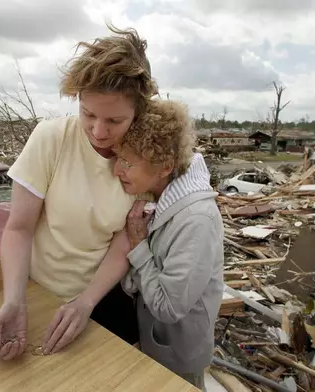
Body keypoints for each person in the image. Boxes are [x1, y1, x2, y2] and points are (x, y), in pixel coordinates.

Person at [0, 24, 159, 361]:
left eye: (115, 120)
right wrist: (15, 300)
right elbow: (19, 228)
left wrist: (86, 301)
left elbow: (124, 238)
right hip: (37, 291)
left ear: (138, 113)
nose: (98, 131)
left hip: (101, 292)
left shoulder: (145, 158)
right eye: (89, 114)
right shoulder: (51, 139)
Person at [114, 99, 224, 390]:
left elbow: (167, 307)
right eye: (118, 158)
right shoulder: (163, 199)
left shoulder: (196, 221)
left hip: (179, 358)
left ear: (164, 167)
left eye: (127, 162)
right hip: (157, 346)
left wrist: (139, 245)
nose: (117, 170)